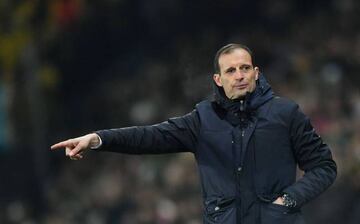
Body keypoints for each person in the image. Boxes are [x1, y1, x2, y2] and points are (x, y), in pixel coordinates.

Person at [51, 43, 337, 224]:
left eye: (245, 68)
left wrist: (288, 200)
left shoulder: (285, 114)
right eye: (231, 70)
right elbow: (149, 137)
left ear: (256, 73)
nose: (239, 75)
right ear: (218, 79)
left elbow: (324, 167)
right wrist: (98, 139)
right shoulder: (203, 118)